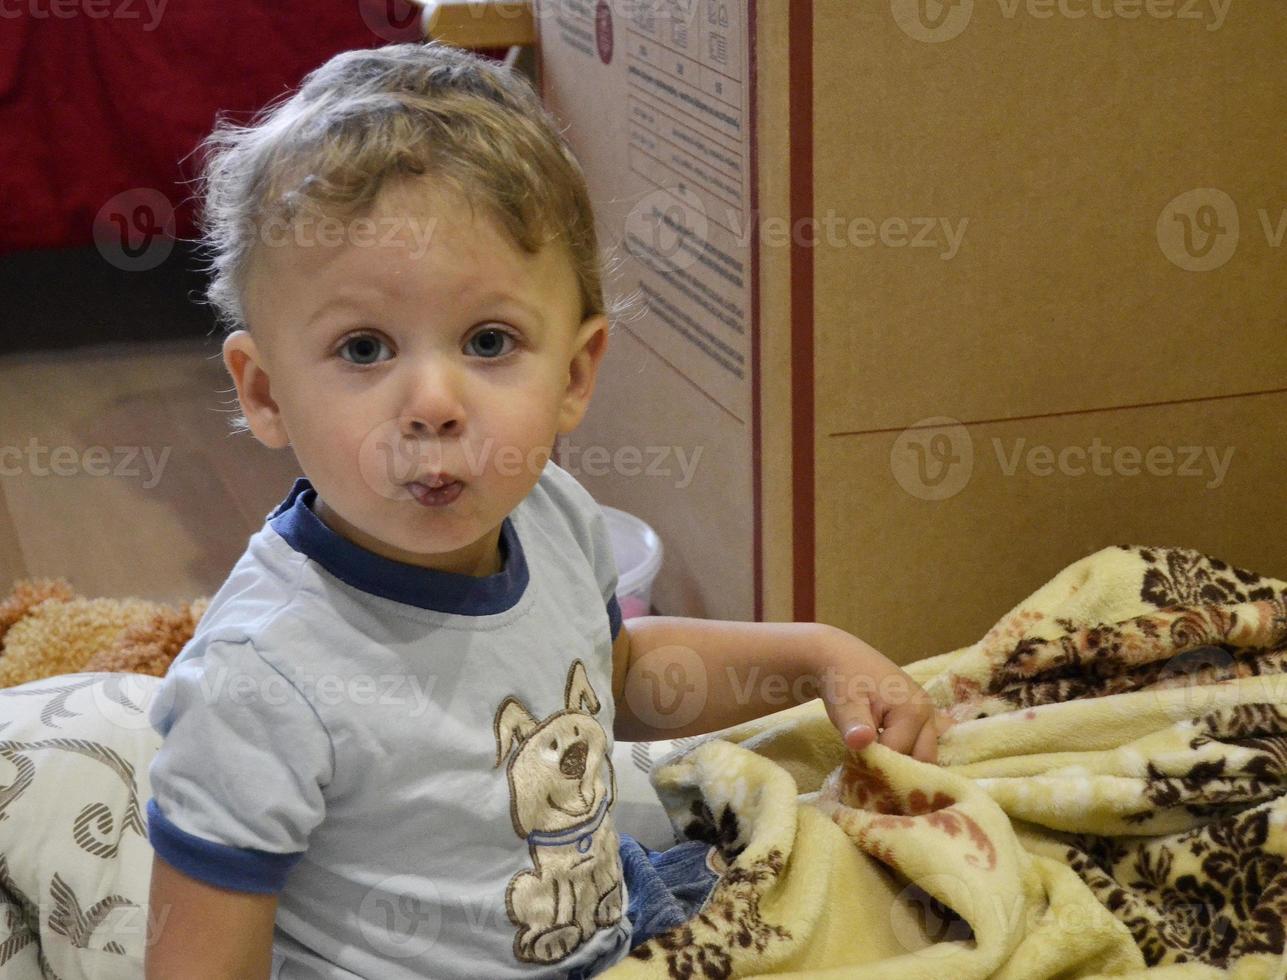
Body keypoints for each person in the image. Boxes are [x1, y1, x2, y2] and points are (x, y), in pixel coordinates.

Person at [143, 40, 951, 980]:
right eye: (363, 350)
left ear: (574, 375)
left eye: (489, 340)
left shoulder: (552, 514)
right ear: (266, 393)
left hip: (614, 927)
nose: (434, 402)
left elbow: (610, 674)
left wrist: (815, 655)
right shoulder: (261, 681)